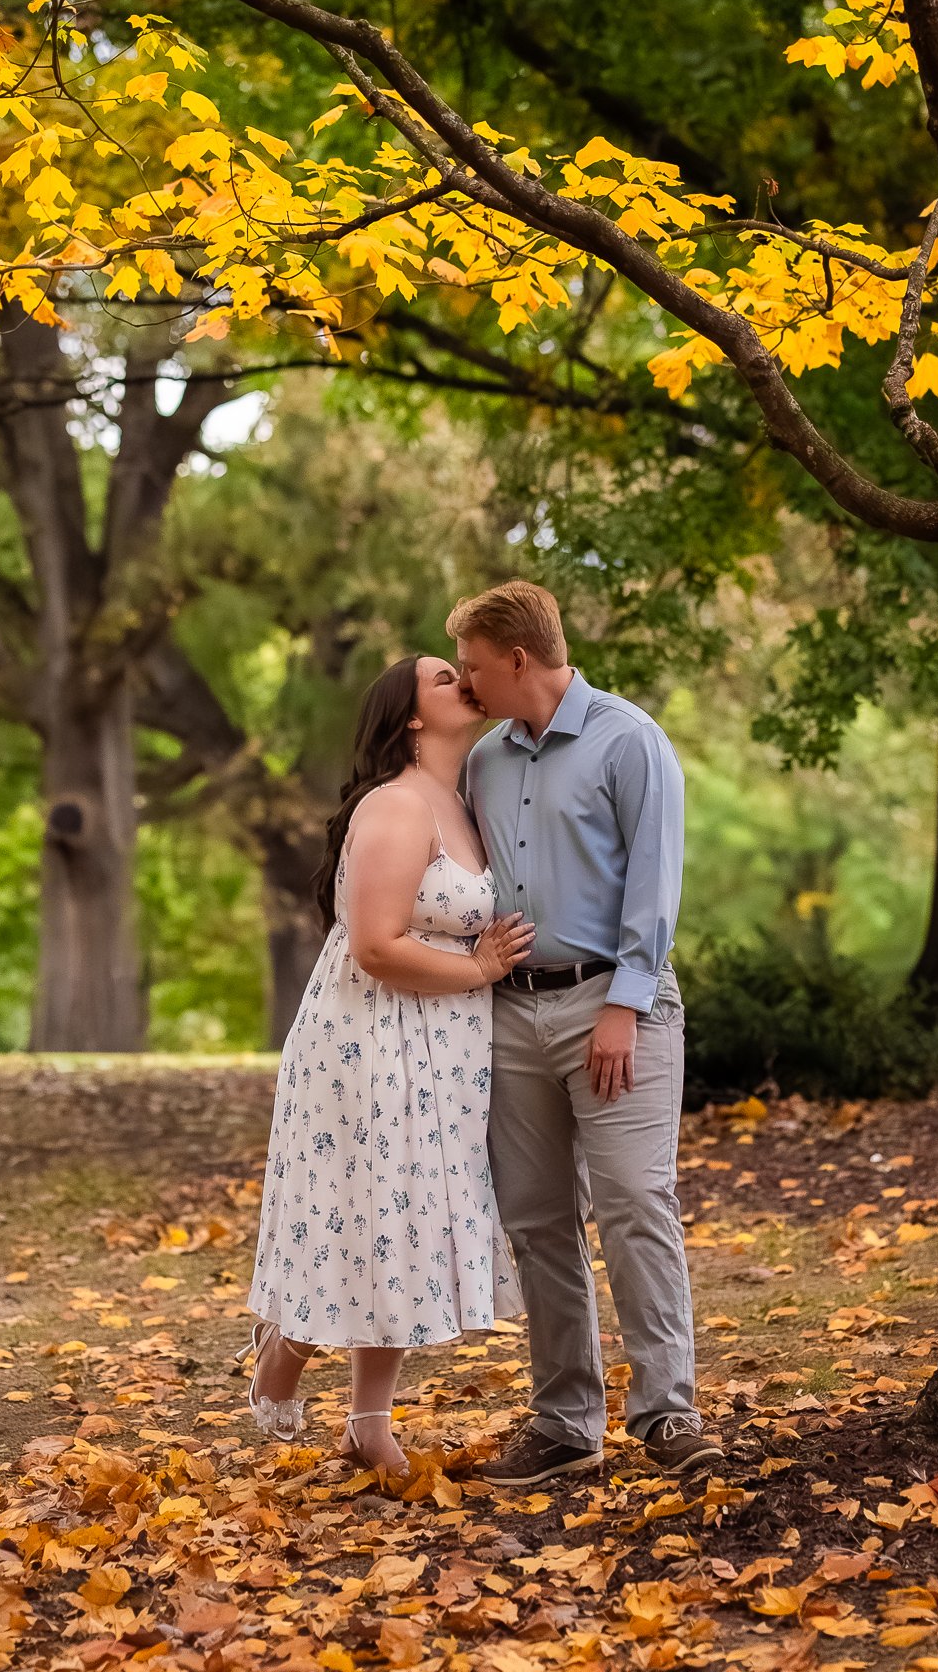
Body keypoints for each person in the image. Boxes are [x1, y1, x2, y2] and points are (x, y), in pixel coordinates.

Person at [448, 580, 724, 1483]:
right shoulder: (485, 760)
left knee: (636, 1204)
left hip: (614, 1006)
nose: (467, 683)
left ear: (518, 659)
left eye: (476, 667)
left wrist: (624, 1004)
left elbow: (656, 880)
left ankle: (668, 1412)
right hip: (510, 1014)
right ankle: (565, 1422)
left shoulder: (629, 740)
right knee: (537, 1223)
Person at [244, 653, 532, 1474]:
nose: (465, 680)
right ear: (409, 717)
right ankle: (282, 1355)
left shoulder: (467, 794)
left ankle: (369, 1422)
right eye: (445, 678)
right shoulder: (398, 806)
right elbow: (375, 945)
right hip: (370, 1042)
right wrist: (480, 969)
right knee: (361, 1213)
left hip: (445, 1045)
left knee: (405, 1227)